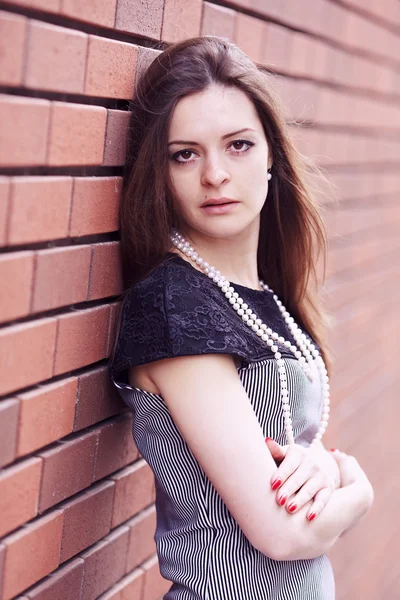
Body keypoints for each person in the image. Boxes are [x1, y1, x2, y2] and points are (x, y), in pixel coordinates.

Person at [109, 36, 374, 600]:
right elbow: (280, 532)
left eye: (237, 145)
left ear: (271, 153)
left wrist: (321, 468)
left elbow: (288, 458)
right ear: (160, 172)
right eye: (185, 154)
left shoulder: (264, 296)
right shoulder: (175, 306)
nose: (215, 175)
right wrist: (357, 487)